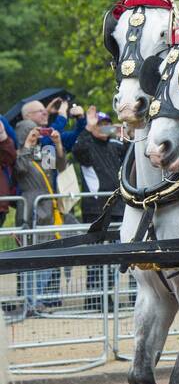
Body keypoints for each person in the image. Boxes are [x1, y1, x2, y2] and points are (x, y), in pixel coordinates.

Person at [73, 109, 127, 309]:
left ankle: (107, 296)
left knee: (113, 255)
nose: (104, 128)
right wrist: (87, 127)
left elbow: (132, 153)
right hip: (95, 209)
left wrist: (125, 134)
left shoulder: (115, 145)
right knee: (96, 255)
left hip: (118, 207)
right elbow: (77, 151)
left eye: (107, 124)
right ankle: (94, 298)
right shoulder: (86, 145)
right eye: (100, 124)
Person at [13, 116, 65, 315]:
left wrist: (57, 143)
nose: (35, 135)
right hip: (30, 210)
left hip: (49, 208)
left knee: (49, 258)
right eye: (31, 131)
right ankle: (30, 303)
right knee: (30, 259)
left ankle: (36, 300)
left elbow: (58, 168)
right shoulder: (19, 154)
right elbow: (20, 171)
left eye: (37, 131)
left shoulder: (45, 151)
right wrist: (26, 146)